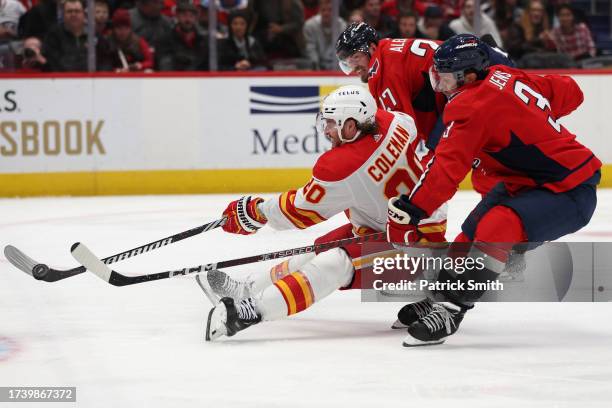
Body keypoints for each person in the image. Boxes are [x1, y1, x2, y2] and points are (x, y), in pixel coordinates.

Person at [386, 34, 601, 346]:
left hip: (569, 191)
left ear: (470, 76)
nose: (440, 86)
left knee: (497, 226)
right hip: (524, 182)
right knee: (468, 235)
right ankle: (440, 297)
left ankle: (453, 308)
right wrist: (531, 119)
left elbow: (447, 168)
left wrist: (413, 209)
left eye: (445, 78)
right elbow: (571, 91)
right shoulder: (509, 76)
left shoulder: (470, 105)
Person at [203, 85, 447, 340]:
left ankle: (251, 312)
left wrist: (257, 211)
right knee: (317, 251)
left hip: (414, 243)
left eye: (332, 123)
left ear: (352, 125)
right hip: (403, 224)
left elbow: (299, 211)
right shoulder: (393, 121)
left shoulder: (343, 165)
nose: (327, 130)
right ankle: (248, 290)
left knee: (337, 263)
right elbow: (405, 126)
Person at [42, 0, 112, 71]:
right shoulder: (54, 36)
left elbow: (106, 62)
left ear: (84, 14)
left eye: (77, 11)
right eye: (69, 11)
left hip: (92, 80)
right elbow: (53, 63)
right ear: (63, 15)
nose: (73, 14)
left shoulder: (94, 35)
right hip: (62, 80)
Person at [157, 0, 208, 70]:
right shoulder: (165, 39)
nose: (188, 19)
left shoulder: (203, 40)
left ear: (196, 18)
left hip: (198, 78)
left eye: (191, 16)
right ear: (177, 16)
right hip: (175, 78)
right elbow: (165, 65)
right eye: (184, 15)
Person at [303, 0, 347, 70]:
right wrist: (316, 68)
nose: (326, 13)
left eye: (330, 10)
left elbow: (343, 50)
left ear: (335, 12)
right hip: (317, 66)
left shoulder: (342, 25)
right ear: (319, 10)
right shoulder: (310, 25)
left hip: (338, 67)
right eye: (323, 10)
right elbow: (310, 48)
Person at [107, 7, 154, 72]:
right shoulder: (108, 42)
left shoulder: (138, 41)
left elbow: (150, 61)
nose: (122, 32)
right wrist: (117, 70)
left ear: (130, 28)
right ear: (114, 29)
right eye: (119, 28)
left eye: (126, 28)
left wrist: (139, 65)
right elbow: (104, 64)